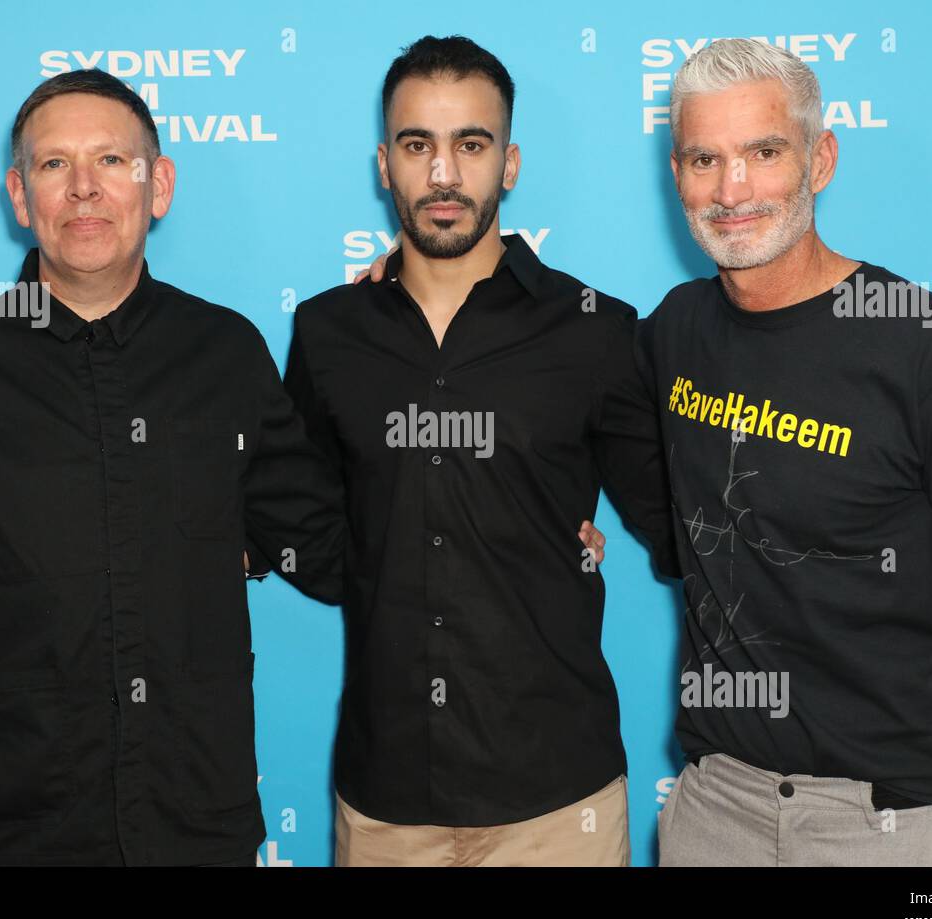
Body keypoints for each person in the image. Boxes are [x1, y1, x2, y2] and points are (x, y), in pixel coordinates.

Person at [0, 68, 345, 866]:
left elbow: (328, 549)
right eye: (53, 164)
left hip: (195, 833)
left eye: (111, 160)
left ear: (158, 186)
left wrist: (395, 321)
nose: (83, 188)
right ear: (20, 195)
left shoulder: (227, 356)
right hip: (7, 836)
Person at [637, 38, 932, 866]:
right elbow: (549, 379)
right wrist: (409, 284)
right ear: (676, 174)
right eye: (704, 159)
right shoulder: (674, 330)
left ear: (820, 159)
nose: (731, 190)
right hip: (714, 808)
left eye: (764, 153)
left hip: (888, 823)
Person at [284, 35, 676, 866]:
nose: (443, 174)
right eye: (416, 145)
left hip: (558, 801)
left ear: (511, 162)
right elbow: (300, 518)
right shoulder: (326, 332)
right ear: (384, 165)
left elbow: (684, 524)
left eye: (471, 144)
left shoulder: (596, 331)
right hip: (386, 801)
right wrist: (386, 555)